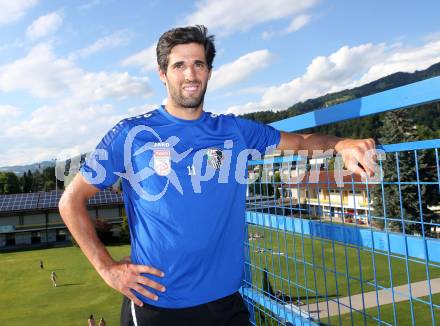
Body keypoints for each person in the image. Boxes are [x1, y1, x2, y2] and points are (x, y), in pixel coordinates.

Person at [59, 25, 376, 326]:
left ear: (208, 71)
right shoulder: (130, 133)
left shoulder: (234, 130)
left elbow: (299, 143)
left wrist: (342, 144)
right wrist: (107, 269)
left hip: (225, 304)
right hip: (157, 306)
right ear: (162, 73)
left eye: (198, 64)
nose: (190, 74)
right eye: (179, 65)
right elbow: (71, 201)